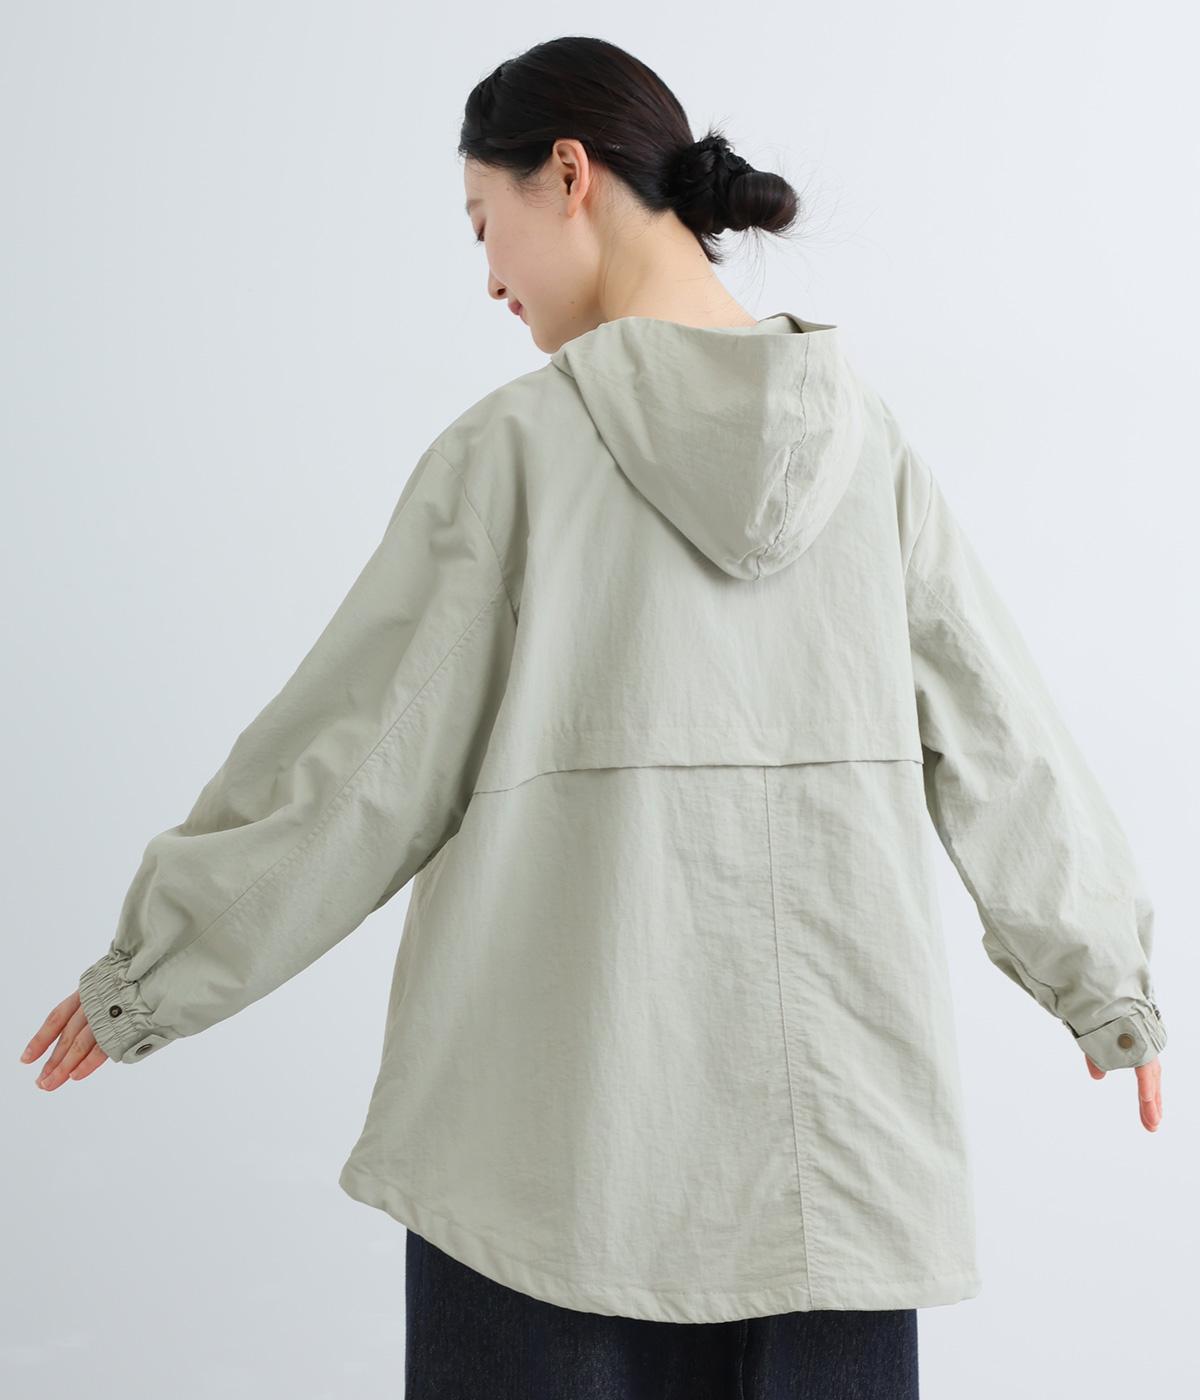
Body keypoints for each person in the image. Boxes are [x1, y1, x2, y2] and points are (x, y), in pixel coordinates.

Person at [22, 34, 1166, 1400]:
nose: (488, 277)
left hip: (539, 1185)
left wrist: (155, 970)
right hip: (837, 1188)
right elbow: (1006, 739)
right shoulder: (870, 453)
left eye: (482, 223)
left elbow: (352, 768)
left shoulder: (512, 453)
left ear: (567, 173)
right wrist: (1106, 981)